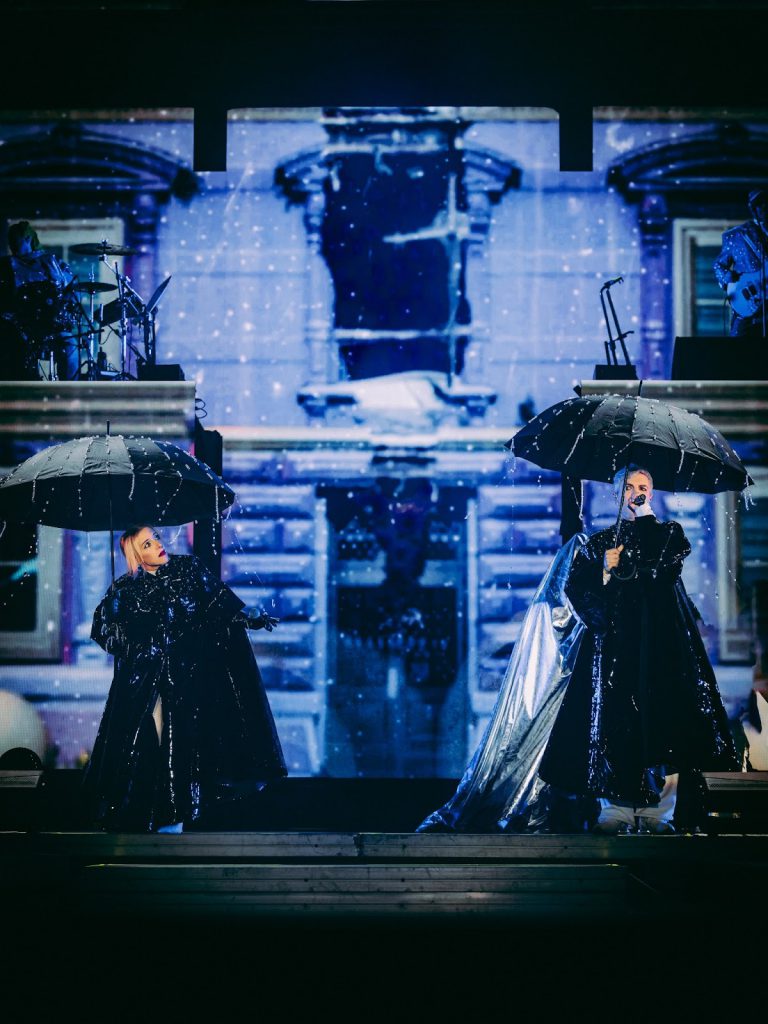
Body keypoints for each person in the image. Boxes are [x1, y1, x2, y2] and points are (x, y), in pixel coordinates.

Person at [537, 465, 740, 833]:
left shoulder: (668, 534)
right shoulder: (601, 543)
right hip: (616, 649)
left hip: (663, 646)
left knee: (667, 721)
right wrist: (604, 569)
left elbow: (666, 566)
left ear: (652, 491)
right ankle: (616, 807)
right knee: (615, 722)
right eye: (628, 487)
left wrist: (645, 520)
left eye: (642, 486)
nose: (636, 492)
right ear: (617, 494)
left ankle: (660, 811)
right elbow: (578, 590)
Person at [82, 526, 286, 833]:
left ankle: (175, 817)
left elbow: (219, 602)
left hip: (188, 677)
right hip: (144, 683)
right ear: (136, 555)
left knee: (185, 744)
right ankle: (145, 815)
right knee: (146, 743)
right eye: (146, 544)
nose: (157, 545)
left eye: (156, 538)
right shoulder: (124, 590)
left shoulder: (188, 569)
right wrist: (126, 636)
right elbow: (104, 633)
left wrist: (247, 616)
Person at [0, 220, 79, 380]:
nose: (12, 245)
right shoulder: (4, 266)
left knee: (70, 346)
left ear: (28, 239)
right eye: (10, 241)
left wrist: (59, 281)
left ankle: (69, 390)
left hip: (51, 326)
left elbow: (74, 292)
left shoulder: (52, 262)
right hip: (18, 327)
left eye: (15, 241)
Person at [713, 189, 768, 337]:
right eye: (760, 204)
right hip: (748, 305)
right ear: (753, 209)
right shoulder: (737, 236)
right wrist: (727, 277)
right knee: (739, 345)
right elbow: (719, 265)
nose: (764, 207)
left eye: (766, 203)